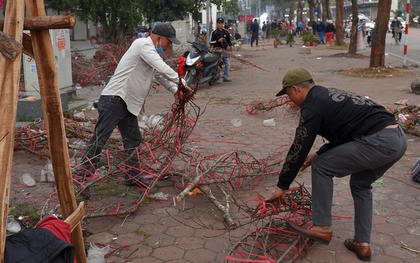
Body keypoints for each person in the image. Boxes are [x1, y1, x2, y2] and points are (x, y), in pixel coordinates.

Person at [266, 68, 407, 262]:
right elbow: (348, 133)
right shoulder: (330, 95)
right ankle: (362, 243)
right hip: (397, 140)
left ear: (296, 89)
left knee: (322, 167)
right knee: (360, 184)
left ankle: (322, 226)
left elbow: (299, 146)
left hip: (378, 142)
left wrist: (282, 186)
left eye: (289, 95)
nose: (290, 100)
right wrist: (319, 152)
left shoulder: (312, 105)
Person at [80, 23, 193, 186]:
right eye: (168, 43)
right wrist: (182, 82)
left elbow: (159, 76)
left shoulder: (150, 53)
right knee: (99, 140)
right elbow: (162, 68)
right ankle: (80, 179)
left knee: (132, 139)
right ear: (160, 38)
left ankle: (132, 177)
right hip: (115, 99)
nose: (168, 48)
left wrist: (176, 90)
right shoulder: (142, 45)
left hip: (126, 104)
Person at [210, 17, 234, 83]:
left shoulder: (226, 32)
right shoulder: (214, 33)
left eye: (221, 23)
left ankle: (225, 77)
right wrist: (217, 41)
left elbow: (228, 40)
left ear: (223, 23)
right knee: (216, 65)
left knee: (227, 64)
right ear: (217, 23)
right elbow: (211, 42)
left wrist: (231, 46)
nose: (220, 24)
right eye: (219, 23)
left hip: (224, 50)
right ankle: (216, 78)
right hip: (217, 51)